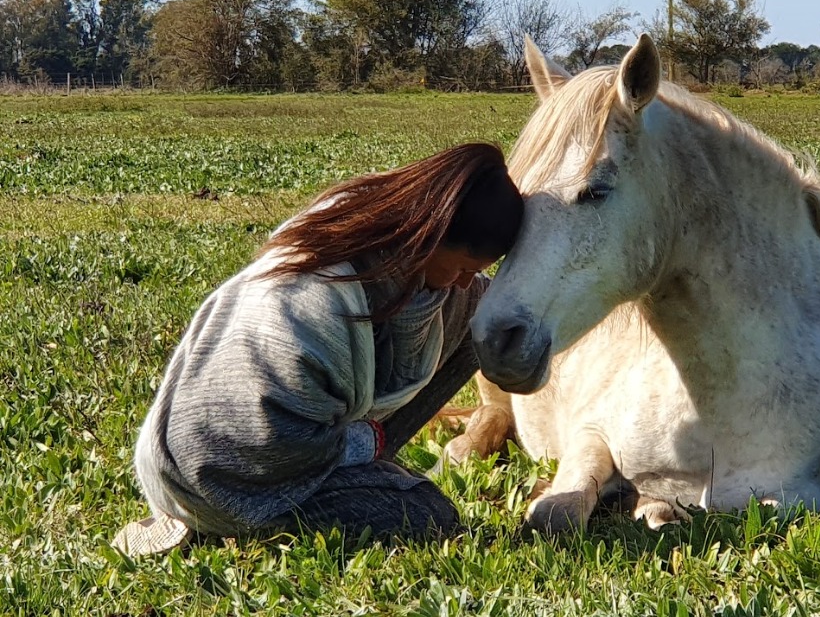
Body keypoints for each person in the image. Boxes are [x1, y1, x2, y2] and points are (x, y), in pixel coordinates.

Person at [114, 143, 524, 556]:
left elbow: (486, 308)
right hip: (227, 477)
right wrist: (367, 443)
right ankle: (230, 523)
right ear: (432, 236)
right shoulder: (310, 310)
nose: (466, 281)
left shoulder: (388, 253)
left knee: (481, 318)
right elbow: (277, 447)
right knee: (429, 515)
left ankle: (361, 470)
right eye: (465, 267)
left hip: (275, 451)